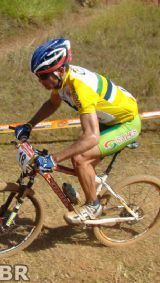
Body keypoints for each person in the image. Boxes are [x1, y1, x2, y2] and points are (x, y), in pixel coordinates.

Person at [14, 38, 141, 224]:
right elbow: (52, 103)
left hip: (126, 124)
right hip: (108, 120)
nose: (40, 81)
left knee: (80, 158)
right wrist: (29, 125)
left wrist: (54, 159)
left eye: (43, 75)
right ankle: (93, 183)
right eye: (38, 76)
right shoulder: (63, 80)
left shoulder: (80, 88)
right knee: (80, 157)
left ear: (60, 70)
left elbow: (90, 137)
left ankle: (93, 206)